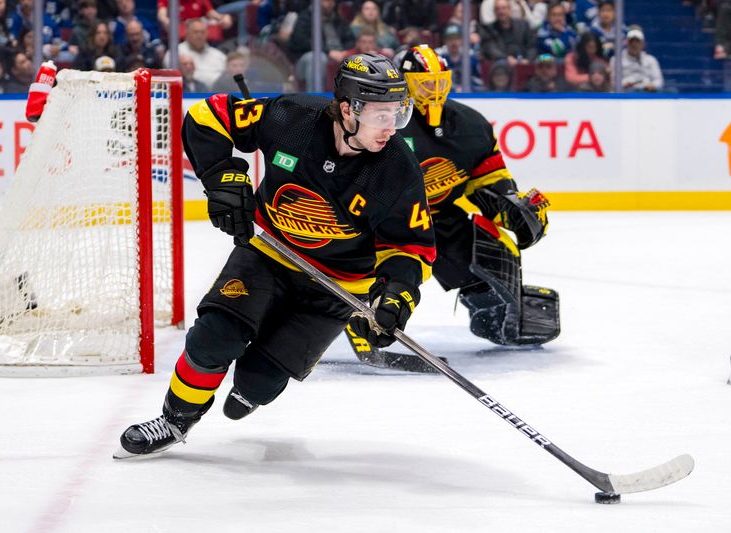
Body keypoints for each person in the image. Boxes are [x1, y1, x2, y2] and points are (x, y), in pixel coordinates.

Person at [115, 53, 435, 457]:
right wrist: (222, 177)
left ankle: (253, 388)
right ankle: (176, 420)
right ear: (347, 109)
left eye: (397, 114)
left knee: (259, 380)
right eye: (380, 115)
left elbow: (410, 246)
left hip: (338, 288)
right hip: (268, 254)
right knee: (214, 339)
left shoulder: (398, 169)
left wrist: (397, 294)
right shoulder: (292, 118)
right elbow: (207, 116)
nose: (390, 127)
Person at [397, 45, 558, 347]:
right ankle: (351, 310)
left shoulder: (470, 125)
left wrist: (512, 207)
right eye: (425, 83)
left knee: (488, 248)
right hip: (384, 222)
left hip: (437, 218)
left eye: (439, 82)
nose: (434, 90)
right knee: (389, 272)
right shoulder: (384, 124)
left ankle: (494, 316)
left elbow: (489, 182)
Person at [480, 0, 537, 66]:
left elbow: (532, 46)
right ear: (494, 12)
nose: (501, 12)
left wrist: (528, 60)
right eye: (497, 9)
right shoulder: (488, 29)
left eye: (504, 8)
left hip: (523, 63)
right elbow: (490, 49)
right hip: (501, 65)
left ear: (510, 9)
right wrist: (506, 58)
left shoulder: (523, 25)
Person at [175, 18, 227, 88]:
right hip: (188, 95)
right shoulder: (176, 52)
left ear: (207, 33)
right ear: (187, 33)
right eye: (195, 32)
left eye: (202, 32)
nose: (199, 35)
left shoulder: (219, 55)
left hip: (218, 94)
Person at [611, 27, 663, 92]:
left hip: (646, 94)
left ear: (643, 44)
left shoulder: (651, 60)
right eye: (631, 42)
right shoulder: (616, 60)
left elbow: (659, 81)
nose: (634, 44)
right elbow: (612, 82)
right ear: (626, 43)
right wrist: (624, 84)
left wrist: (652, 85)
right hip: (624, 95)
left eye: (637, 42)